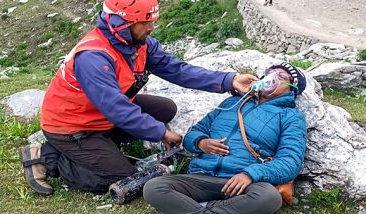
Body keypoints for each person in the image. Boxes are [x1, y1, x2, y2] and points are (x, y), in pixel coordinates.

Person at [18, 0, 257, 195]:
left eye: (151, 20)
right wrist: (160, 133)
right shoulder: (93, 57)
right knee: (124, 177)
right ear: (119, 23)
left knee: (165, 109)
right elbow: (117, 109)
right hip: (73, 127)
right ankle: (48, 157)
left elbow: (178, 70)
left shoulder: (138, 43)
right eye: (143, 22)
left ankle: (101, 146)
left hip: (98, 115)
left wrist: (229, 80)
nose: (151, 27)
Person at [143, 62, 307, 214]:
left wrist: (250, 174)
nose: (272, 78)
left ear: (291, 89)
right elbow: (193, 133)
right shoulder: (232, 102)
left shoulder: (291, 117)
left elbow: (290, 162)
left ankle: (198, 209)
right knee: (154, 187)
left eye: (281, 77)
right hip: (202, 176)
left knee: (269, 197)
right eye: (271, 73)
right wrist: (200, 142)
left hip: (243, 184)